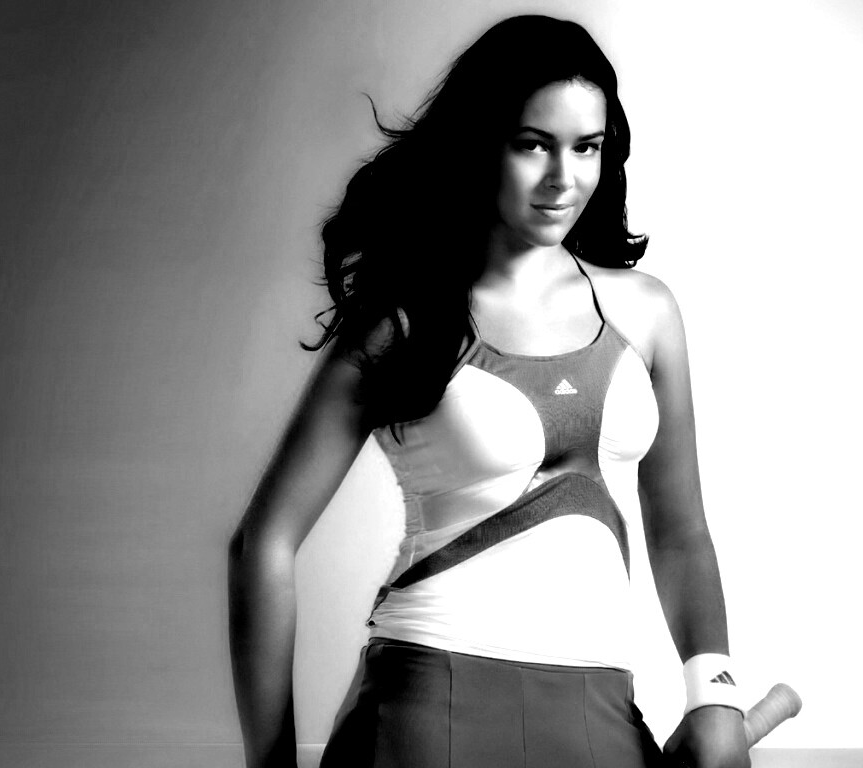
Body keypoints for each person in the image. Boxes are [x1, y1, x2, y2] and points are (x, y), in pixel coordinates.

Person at [229, 14, 753, 768]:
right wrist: (271, 767)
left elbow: (682, 531)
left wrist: (716, 695)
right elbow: (264, 542)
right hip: (428, 701)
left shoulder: (647, 313)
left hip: (598, 708)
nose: (563, 178)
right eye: (533, 144)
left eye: (587, 147)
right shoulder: (404, 325)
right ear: (480, 144)